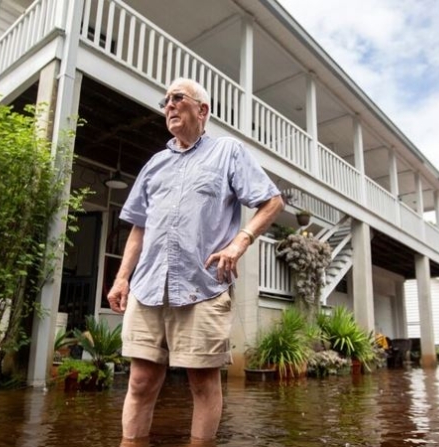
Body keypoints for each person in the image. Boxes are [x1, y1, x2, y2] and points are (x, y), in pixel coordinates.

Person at [107, 77, 284, 443]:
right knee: (140, 382)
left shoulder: (228, 152)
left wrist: (240, 242)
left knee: (202, 383)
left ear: (202, 110)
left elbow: (272, 201)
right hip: (148, 287)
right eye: (165, 101)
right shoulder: (155, 164)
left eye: (177, 98)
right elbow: (139, 228)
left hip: (201, 287)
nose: (168, 105)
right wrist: (122, 278)